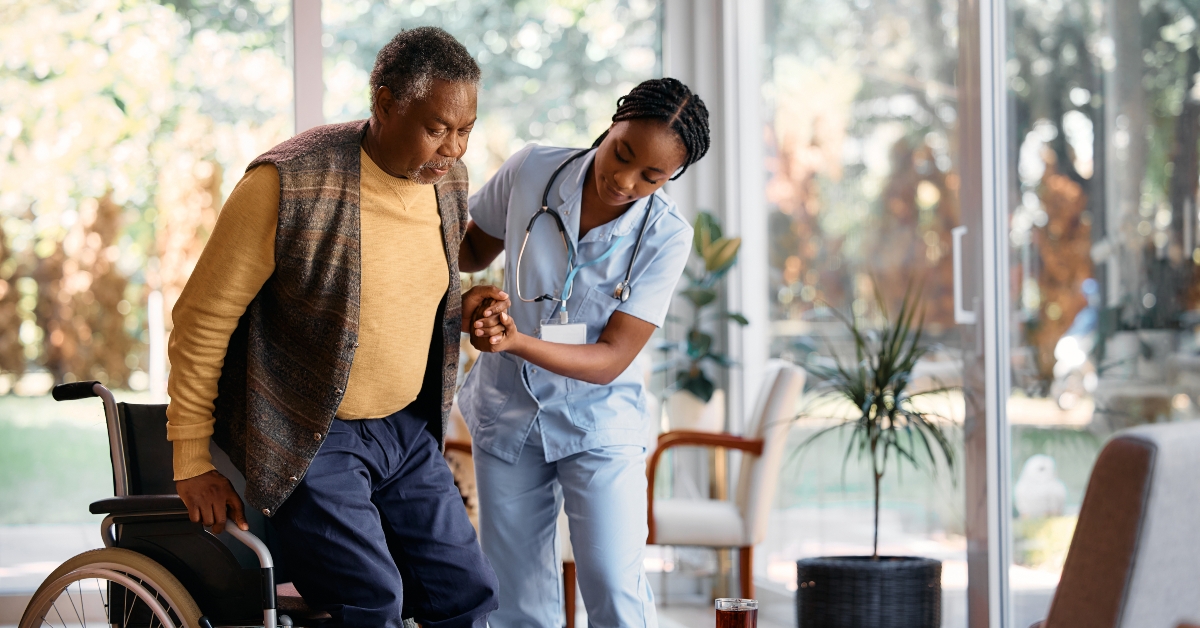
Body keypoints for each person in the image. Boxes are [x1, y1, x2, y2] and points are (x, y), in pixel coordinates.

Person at [165, 27, 500, 628]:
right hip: (312, 432)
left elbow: (413, 286)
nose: (454, 149)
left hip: (405, 428)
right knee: (371, 600)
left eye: (465, 129)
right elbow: (200, 320)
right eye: (436, 128)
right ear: (385, 100)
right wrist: (191, 457)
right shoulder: (286, 182)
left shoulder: (446, 180)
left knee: (466, 594)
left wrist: (468, 302)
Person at [458, 77, 711, 628]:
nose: (624, 179)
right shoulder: (532, 170)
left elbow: (612, 357)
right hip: (510, 410)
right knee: (515, 595)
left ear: (673, 177)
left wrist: (517, 340)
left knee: (614, 585)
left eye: (652, 176)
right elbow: (473, 248)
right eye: (622, 153)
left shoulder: (667, 235)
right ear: (613, 123)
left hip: (599, 421)